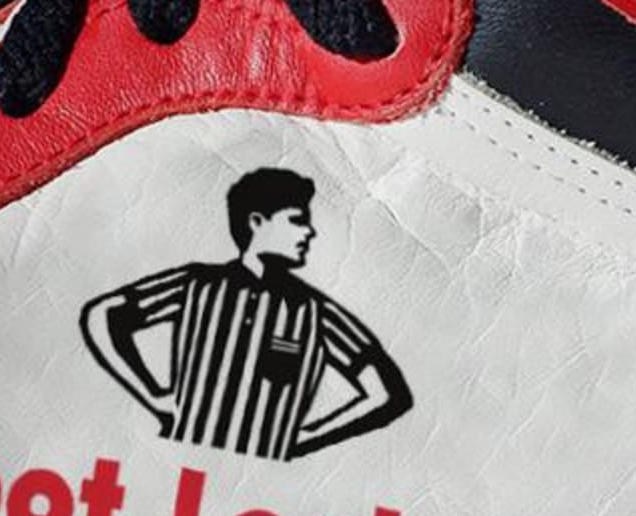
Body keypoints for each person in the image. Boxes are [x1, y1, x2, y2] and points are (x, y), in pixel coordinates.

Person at [80, 168, 412, 461]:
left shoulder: (314, 312)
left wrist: (308, 437)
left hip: (263, 488)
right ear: (257, 222)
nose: (309, 232)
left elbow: (385, 392)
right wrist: (154, 397)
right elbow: (103, 314)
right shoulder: (196, 285)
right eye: (297, 220)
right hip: (171, 464)